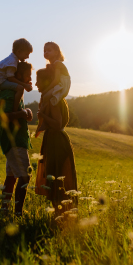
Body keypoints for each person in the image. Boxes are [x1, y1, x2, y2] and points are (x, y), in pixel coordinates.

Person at [34, 67, 77, 215]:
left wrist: (43, 116)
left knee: (57, 175)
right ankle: (61, 213)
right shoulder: (53, 98)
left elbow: (58, 123)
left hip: (56, 141)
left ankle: (62, 214)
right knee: (55, 176)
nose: (35, 84)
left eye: (38, 81)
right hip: (54, 139)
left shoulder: (53, 100)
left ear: (46, 81)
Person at [0, 61, 34, 216]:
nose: (30, 79)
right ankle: (18, 213)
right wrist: (22, 114)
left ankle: (4, 210)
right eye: (28, 75)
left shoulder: (17, 91)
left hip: (16, 140)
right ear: (18, 75)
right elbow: (4, 116)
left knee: (11, 177)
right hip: (14, 141)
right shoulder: (9, 92)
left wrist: (26, 111)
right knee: (25, 176)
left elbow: (18, 113)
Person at [35, 42, 70, 137]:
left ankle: (43, 121)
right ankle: (41, 122)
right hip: (58, 84)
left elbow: (56, 80)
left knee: (46, 96)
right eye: (44, 51)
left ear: (56, 52)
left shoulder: (57, 63)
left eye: (49, 50)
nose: (46, 52)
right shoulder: (51, 65)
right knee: (44, 98)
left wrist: (46, 90)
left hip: (62, 85)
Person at [0, 38, 34, 112]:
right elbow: (11, 79)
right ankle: (15, 110)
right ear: (19, 51)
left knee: (20, 87)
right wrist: (24, 85)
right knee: (20, 88)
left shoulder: (12, 59)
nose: (28, 57)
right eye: (26, 54)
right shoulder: (12, 61)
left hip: (0, 79)